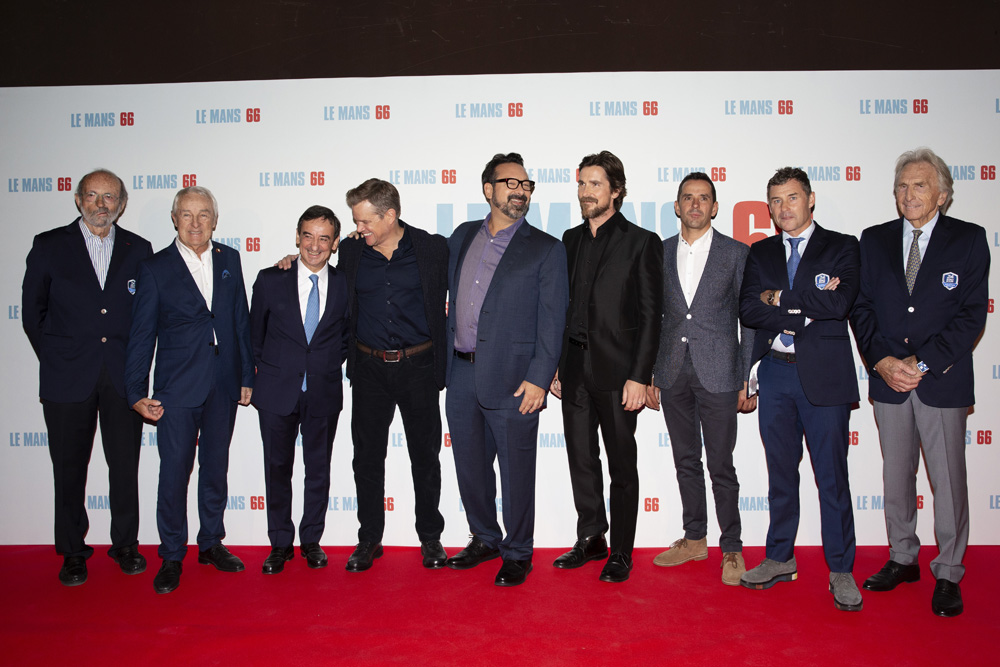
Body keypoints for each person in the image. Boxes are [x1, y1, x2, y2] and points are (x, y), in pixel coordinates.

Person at [851, 148, 990, 617]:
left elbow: (971, 315)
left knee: (947, 480)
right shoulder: (874, 240)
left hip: (941, 381)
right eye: (902, 186)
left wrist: (922, 362)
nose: (909, 194)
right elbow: (861, 309)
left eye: (920, 185)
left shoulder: (969, 240)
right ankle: (903, 557)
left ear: (942, 195)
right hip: (888, 380)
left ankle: (948, 571)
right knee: (896, 475)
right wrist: (882, 361)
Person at [738, 167, 863, 611]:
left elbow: (839, 303)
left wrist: (780, 298)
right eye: (775, 200)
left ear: (810, 199)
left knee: (832, 478)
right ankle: (779, 557)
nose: (783, 207)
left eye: (792, 198)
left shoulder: (843, 246)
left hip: (824, 377)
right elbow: (748, 309)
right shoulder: (761, 252)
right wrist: (805, 307)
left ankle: (841, 569)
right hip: (775, 374)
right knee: (780, 474)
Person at [22, 169, 153, 586]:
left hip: (122, 379)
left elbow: (146, 318)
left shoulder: (139, 249)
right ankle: (73, 552)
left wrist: (135, 373)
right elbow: (32, 314)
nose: (101, 204)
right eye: (93, 195)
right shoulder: (49, 245)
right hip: (66, 378)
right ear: (78, 200)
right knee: (68, 470)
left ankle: (126, 545)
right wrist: (59, 359)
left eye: (109, 196)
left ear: (122, 204)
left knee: (125, 467)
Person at [444, 152, 568, 587]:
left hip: (517, 380)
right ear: (488, 189)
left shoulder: (546, 248)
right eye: (511, 183)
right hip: (461, 373)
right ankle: (484, 537)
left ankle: (517, 552)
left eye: (526, 185)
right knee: (470, 467)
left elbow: (553, 321)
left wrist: (539, 377)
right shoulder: (461, 236)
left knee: (516, 472)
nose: (520, 191)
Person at [125, 186, 254, 594]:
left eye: (203, 215)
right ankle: (171, 555)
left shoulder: (230, 259)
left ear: (214, 220)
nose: (195, 223)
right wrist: (136, 391)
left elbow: (240, 320)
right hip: (176, 387)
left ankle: (211, 543)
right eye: (187, 214)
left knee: (215, 468)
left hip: (223, 383)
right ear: (174, 219)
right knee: (174, 473)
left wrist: (246, 376)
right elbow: (142, 335)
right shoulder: (154, 268)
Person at [550, 150, 662, 583]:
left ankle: (621, 551)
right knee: (581, 458)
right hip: (573, 367)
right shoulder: (569, 240)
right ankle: (591, 537)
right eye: (582, 184)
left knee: (621, 464)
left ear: (616, 191)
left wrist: (639, 375)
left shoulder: (642, 241)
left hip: (618, 373)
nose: (585, 192)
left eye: (595, 184)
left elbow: (651, 316)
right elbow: (561, 309)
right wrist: (557, 366)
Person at [644, 172, 755, 586]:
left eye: (703, 198)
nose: (695, 204)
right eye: (687, 198)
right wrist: (650, 372)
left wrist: (747, 377)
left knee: (721, 464)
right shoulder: (659, 251)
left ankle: (732, 547)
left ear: (715, 207)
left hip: (721, 373)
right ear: (677, 206)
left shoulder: (737, 253)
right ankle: (694, 538)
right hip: (672, 371)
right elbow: (651, 316)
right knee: (685, 461)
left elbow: (750, 320)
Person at [339, 179, 449, 572]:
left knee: (425, 456)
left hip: (419, 365)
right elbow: (319, 269)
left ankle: (430, 537)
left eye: (365, 221)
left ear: (390, 215)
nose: (359, 228)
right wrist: (291, 260)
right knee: (367, 458)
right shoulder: (351, 250)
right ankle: (369, 539)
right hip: (368, 367)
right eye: (356, 221)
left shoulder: (432, 248)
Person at [250, 206, 349, 574]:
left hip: (323, 391)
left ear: (335, 243)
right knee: (277, 469)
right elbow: (254, 337)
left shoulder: (345, 284)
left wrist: (322, 364)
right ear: (297, 237)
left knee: (318, 470)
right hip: (276, 392)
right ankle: (280, 543)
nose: (314, 245)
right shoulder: (269, 279)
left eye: (324, 238)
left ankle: (311, 540)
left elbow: (345, 336)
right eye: (308, 236)